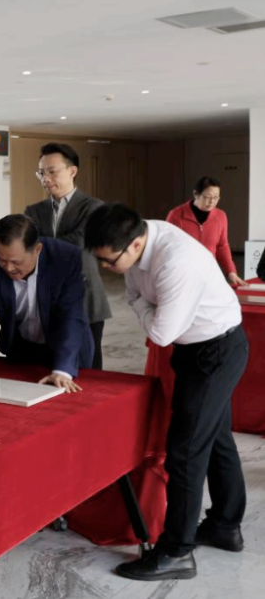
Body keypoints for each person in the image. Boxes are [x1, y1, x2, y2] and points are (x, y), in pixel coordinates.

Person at [87, 204, 247, 582]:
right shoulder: (139, 241)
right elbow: (136, 298)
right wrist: (146, 306)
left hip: (216, 351)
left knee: (185, 451)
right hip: (196, 349)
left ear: (135, 244)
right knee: (216, 438)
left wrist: (144, 306)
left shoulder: (177, 261)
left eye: (110, 261)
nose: (106, 269)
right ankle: (225, 526)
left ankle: (177, 552)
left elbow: (161, 333)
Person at [0, 214, 92, 393]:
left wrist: (62, 371)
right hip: (22, 353)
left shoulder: (66, 258)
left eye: (16, 262)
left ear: (37, 249)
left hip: (67, 353)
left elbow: (71, 317)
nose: (8, 268)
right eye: (2, 259)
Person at [24, 142, 111, 370]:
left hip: (86, 297)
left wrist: (38, 243)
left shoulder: (94, 207)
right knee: (50, 363)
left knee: (89, 366)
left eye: (52, 171)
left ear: (72, 171)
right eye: (41, 173)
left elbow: (79, 243)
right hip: (46, 298)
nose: (45, 179)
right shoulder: (34, 210)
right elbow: (27, 249)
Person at [166, 176, 248, 287]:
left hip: (209, 272)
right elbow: (168, 247)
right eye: (208, 197)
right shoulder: (176, 215)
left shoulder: (220, 216)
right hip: (183, 274)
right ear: (196, 194)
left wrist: (231, 272)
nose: (212, 201)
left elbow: (222, 246)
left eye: (216, 197)